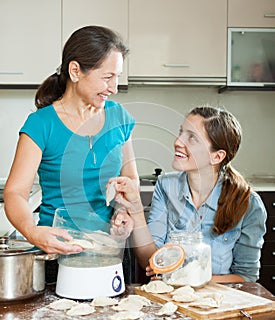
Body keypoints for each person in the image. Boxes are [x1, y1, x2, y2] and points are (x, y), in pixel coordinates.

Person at [4, 25, 138, 255]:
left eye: (117, 77)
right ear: (75, 71)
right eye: (107, 77)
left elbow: (130, 179)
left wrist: (122, 213)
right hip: (56, 253)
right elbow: (15, 193)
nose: (114, 88)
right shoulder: (41, 124)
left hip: (107, 253)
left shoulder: (119, 118)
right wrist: (32, 231)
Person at [114, 106, 267, 283]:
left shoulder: (248, 203)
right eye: (181, 132)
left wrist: (189, 277)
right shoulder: (166, 186)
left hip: (218, 302)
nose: (178, 141)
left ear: (217, 157)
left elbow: (246, 277)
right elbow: (150, 261)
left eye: (192, 138)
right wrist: (136, 211)